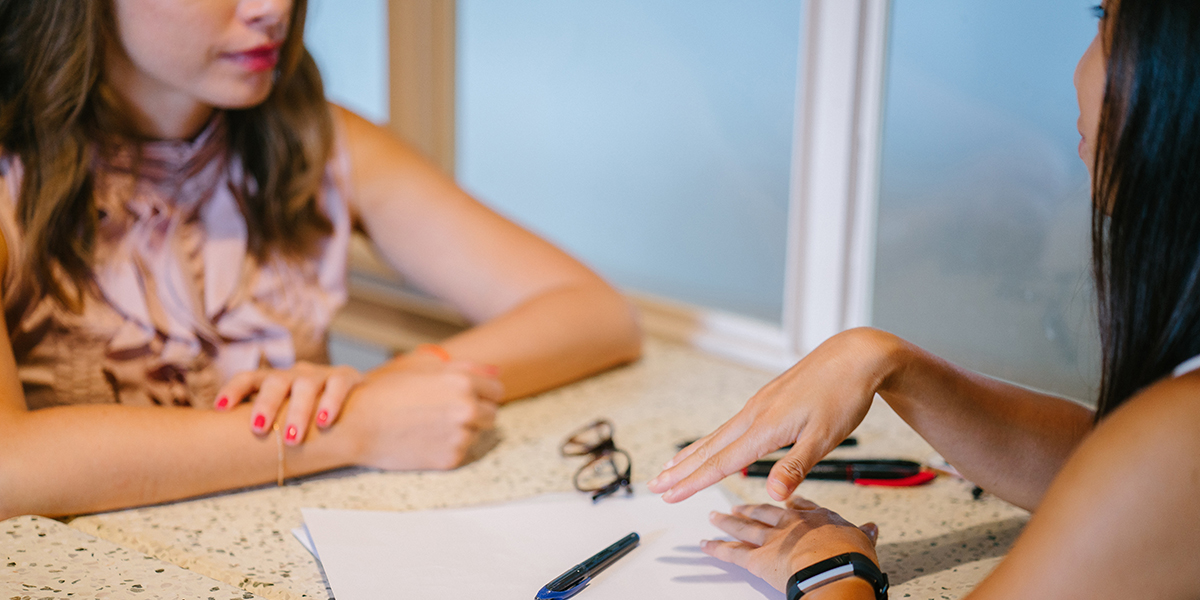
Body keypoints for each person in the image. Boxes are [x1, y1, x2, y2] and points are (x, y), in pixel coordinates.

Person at [0, 0, 641, 520]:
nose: (273, 10)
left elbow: (595, 313)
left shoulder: (323, 142)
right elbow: (10, 467)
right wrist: (348, 430)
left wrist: (395, 384)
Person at [649, 1, 1200, 598]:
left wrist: (833, 570)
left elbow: (1152, 471)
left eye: (1104, 20)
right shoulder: (1167, 442)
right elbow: (1114, 472)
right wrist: (884, 359)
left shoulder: (1183, 435)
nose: (1080, 66)